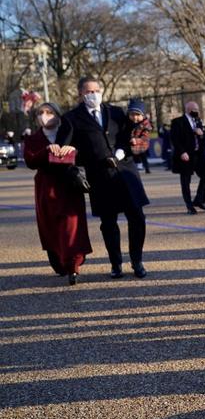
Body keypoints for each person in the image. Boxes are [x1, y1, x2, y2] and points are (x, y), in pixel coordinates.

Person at [64, 77, 150, 279]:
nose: (93, 94)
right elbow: (67, 145)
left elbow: (135, 131)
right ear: (80, 94)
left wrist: (125, 148)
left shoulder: (117, 112)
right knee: (109, 223)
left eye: (96, 90)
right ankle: (116, 263)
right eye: (88, 91)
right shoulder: (72, 118)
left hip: (125, 171)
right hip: (99, 176)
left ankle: (137, 261)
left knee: (137, 217)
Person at [23, 102, 92, 285]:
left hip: (69, 186)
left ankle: (73, 265)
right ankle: (60, 261)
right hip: (46, 189)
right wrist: (46, 151)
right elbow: (30, 160)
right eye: (41, 113)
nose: (45, 116)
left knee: (72, 227)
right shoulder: (33, 139)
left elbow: (86, 153)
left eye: (49, 112)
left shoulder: (70, 133)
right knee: (50, 227)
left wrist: (74, 150)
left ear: (58, 115)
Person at [171, 102, 205, 214]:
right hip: (185, 156)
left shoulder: (198, 121)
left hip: (198, 155)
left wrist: (201, 133)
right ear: (188, 109)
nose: (196, 111)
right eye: (194, 109)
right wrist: (182, 152)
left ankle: (199, 200)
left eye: (197, 109)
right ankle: (189, 206)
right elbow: (175, 139)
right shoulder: (177, 122)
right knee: (185, 181)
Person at [127, 98, 153, 174]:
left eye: (138, 115)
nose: (135, 117)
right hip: (132, 145)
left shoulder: (146, 125)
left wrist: (136, 140)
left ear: (143, 115)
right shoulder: (129, 123)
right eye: (132, 115)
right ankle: (134, 168)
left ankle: (147, 168)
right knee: (133, 157)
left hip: (142, 145)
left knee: (143, 157)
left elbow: (145, 137)